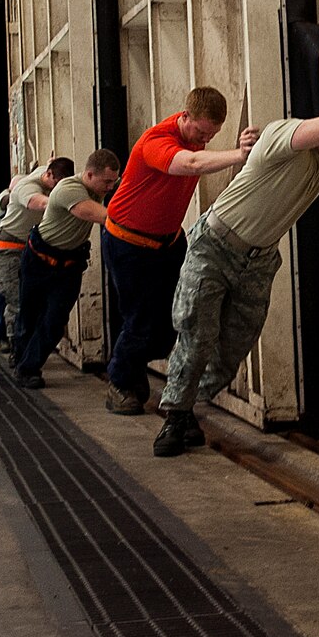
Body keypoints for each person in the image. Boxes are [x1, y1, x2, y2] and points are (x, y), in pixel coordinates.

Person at [153, 37, 319, 457]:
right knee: (198, 333)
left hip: (258, 261)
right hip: (215, 246)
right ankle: (174, 416)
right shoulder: (285, 136)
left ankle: (187, 403)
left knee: (235, 342)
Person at [101, 89, 260, 416]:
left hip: (168, 243)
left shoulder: (196, 138)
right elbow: (188, 164)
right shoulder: (156, 141)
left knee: (175, 320)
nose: (204, 138)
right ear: (184, 117)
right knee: (139, 319)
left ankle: (134, 367)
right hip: (128, 243)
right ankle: (119, 383)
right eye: (201, 132)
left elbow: (199, 156)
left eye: (211, 134)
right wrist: (237, 155)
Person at [12, 149, 121, 389]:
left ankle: (28, 368)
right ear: (89, 175)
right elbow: (96, 214)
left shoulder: (102, 185)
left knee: (54, 320)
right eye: (107, 182)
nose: (111, 188)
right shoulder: (68, 189)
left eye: (114, 181)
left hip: (69, 264)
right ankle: (21, 357)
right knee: (29, 315)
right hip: (39, 259)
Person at [0, 157, 74, 350]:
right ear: (49, 175)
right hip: (6, 248)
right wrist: (67, 202)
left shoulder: (45, 173)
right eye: (56, 184)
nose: (57, 189)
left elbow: (46, 166)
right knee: (16, 300)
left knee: (28, 299)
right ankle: (16, 345)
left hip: (28, 247)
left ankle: (16, 341)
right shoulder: (27, 188)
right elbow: (39, 203)